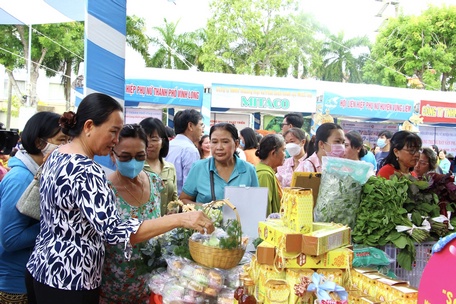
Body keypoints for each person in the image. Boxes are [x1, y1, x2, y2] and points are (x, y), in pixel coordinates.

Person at [25, 93, 213, 304]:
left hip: (42, 268)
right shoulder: (86, 170)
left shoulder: (58, 154)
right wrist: (181, 219)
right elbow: (115, 232)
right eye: (113, 132)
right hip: (71, 278)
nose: (116, 140)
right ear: (88, 126)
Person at [0, 112, 69, 303]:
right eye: (61, 140)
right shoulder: (21, 178)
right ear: (40, 143)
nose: (67, 147)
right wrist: (57, 222)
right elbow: (10, 239)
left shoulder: (40, 173)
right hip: (13, 286)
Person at [100, 124, 163, 304]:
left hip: (150, 285)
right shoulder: (104, 190)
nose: (133, 163)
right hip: (113, 287)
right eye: (126, 157)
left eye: (140, 156)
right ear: (113, 155)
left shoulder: (155, 182)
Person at [179, 123, 259, 205]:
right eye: (214, 142)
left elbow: (256, 204)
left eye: (225, 142)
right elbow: (183, 200)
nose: (219, 147)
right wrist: (204, 208)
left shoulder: (249, 170)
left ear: (236, 144)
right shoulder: (199, 168)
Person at [139, 117, 178, 216]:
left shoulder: (170, 168)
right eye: (144, 139)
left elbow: (174, 198)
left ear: (163, 142)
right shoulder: (136, 168)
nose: (149, 144)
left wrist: (175, 209)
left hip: (167, 227)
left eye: (154, 139)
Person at [165, 109, 204, 195]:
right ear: (190, 126)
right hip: (181, 203)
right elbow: (190, 186)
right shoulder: (190, 150)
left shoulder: (169, 145)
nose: (202, 130)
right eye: (201, 125)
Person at [256, 134, 286, 215]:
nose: (285, 154)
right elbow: (265, 209)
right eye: (283, 150)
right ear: (273, 153)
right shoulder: (264, 174)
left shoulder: (267, 171)